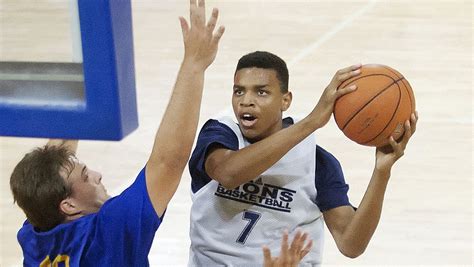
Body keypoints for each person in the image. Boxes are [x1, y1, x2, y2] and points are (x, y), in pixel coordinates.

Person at [9, 0, 225, 265]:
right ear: (69, 206)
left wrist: (94, 57)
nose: (98, 176)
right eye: (86, 176)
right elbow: (168, 162)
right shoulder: (109, 232)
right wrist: (195, 64)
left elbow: (54, 162)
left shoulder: (35, 234)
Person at [188, 51, 418, 266]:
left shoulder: (317, 162)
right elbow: (229, 174)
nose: (246, 101)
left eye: (261, 92)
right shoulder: (221, 135)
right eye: (239, 91)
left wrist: (381, 172)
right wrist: (312, 121)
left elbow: (351, 244)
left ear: (285, 101)